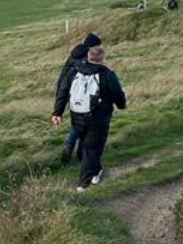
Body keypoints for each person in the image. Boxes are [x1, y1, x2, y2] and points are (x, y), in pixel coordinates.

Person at [52, 45, 127, 191]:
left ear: (88, 57)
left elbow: (63, 92)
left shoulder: (74, 71)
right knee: (92, 148)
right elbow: (118, 93)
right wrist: (121, 105)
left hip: (77, 116)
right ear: (102, 59)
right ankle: (83, 183)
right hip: (99, 118)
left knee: (88, 146)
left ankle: (96, 171)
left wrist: (57, 113)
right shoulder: (107, 74)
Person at [54, 31, 102, 164]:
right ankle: (81, 153)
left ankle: (69, 148)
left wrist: (58, 109)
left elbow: (64, 81)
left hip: (69, 94)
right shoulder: (86, 59)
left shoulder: (75, 55)